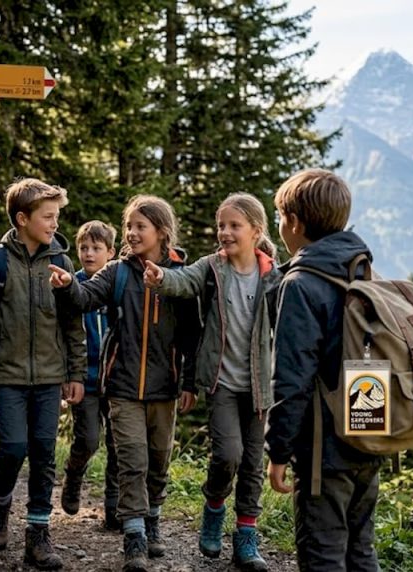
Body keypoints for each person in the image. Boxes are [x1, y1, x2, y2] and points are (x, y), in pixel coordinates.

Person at [49, 195, 199, 572]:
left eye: (140, 227)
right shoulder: (116, 271)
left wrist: (190, 382)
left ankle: (153, 523)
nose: (131, 233)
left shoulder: (182, 274)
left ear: (162, 232)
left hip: (166, 386)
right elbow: (85, 297)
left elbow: (192, 335)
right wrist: (68, 285)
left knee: (158, 461)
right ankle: (134, 537)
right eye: (129, 226)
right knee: (131, 459)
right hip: (122, 385)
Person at [142, 193, 280, 571]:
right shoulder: (212, 268)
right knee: (227, 455)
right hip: (220, 381)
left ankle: (246, 539)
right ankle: (214, 506)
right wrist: (160, 277)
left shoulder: (273, 277)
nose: (225, 232)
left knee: (252, 464)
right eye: (221, 225)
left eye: (234, 226)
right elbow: (182, 280)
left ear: (256, 230)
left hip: (258, 387)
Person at [0, 178, 86, 570]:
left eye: (56, 216)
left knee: (45, 453)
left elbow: (73, 325)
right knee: (14, 447)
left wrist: (75, 372)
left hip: (50, 378)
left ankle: (37, 534)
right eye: (47, 217)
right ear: (22, 218)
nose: (54, 223)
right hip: (7, 377)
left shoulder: (63, 264)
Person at [265, 169, 384, 572]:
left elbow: (291, 378)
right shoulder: (362, 270)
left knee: (323, 554)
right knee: (360, 549)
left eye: (280, 217)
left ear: (295, 222)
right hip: (370, 431)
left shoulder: (301, 284)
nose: (281, 226)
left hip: (324, 449)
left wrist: (278, 450)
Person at [60, 220, 121, 531]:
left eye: (96, 248)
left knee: (116, 443)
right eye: (84, 247)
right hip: (84, 379)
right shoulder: (72, 286)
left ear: (110, 253)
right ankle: (73, 475)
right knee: (88, 439)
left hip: (115, 380)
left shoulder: (117, 286)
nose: (88, 253)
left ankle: (114, 507)